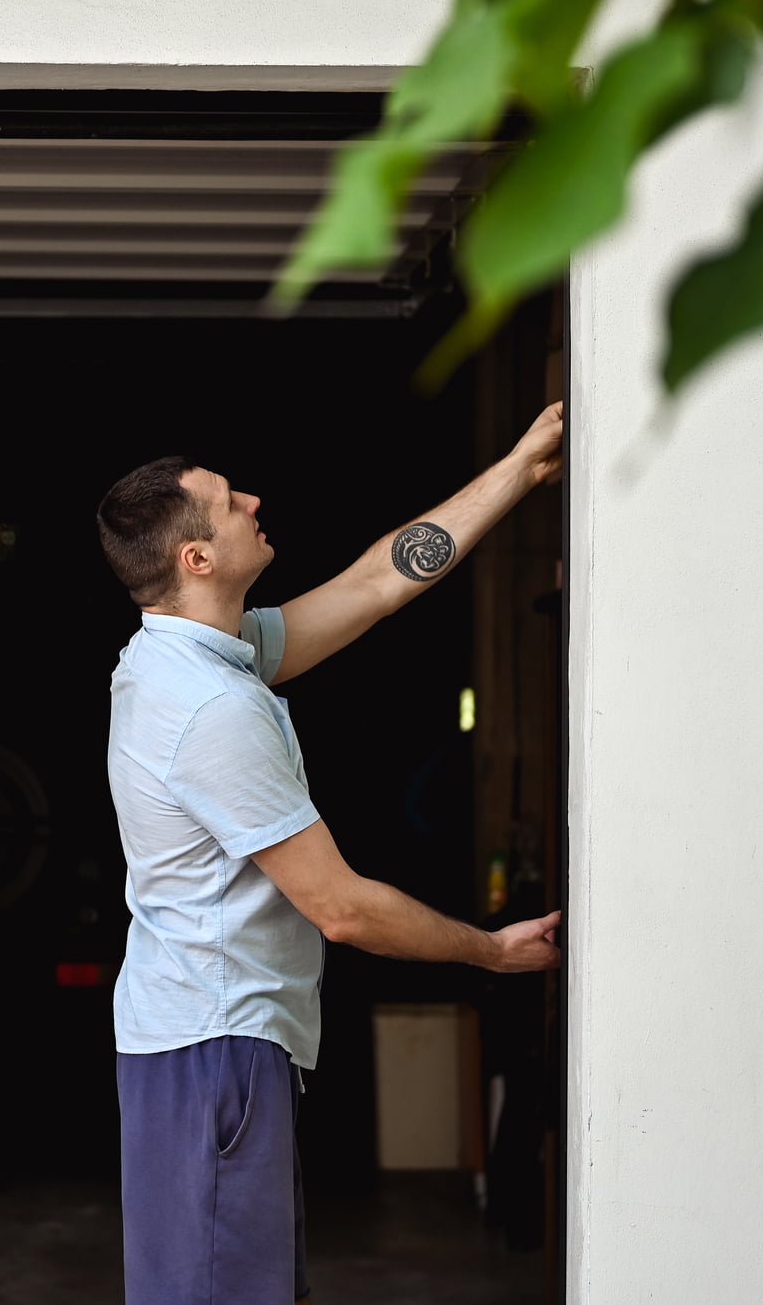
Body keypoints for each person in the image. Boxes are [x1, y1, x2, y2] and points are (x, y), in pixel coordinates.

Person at [96, 401, 567, 1305]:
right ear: (196, 559)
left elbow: (372, 587)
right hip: (215, 1049)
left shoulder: (195, 655)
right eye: (230, 502)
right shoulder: (211, 710)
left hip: (202, 1041)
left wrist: (517, 468)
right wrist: (492, 952)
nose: (253, 500)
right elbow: (341, 908)